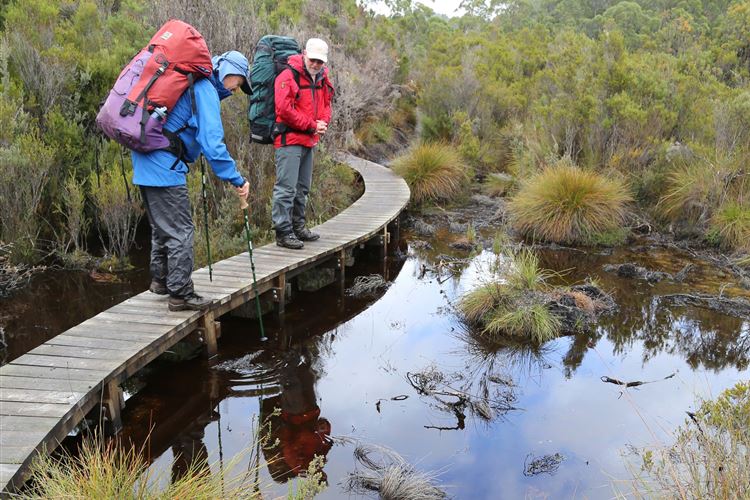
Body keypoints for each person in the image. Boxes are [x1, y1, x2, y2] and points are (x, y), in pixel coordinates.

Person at [133, 51, 252, 311]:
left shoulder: (191, 84)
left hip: (145, 161)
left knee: (162, 225)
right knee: (180, 231)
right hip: (164, 165)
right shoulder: (205, 88)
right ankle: (180, 294)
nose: (236, 89)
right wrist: (236, 178)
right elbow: (213, 145)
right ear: (228, 72)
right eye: (239, 82)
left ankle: (161, 281)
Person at [272, 38, 335, 249]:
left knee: (303, 188)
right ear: (304, 54)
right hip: (289, 140)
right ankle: (283, 232)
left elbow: (326, 103)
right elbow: (283, 110)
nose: (316, 64)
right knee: (286, 188)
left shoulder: (322, 78)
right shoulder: (287, 75)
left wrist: (323, 123)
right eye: (313, 59)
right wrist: (311, 125)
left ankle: (298, 227)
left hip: (309, 139)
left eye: (320, 61)